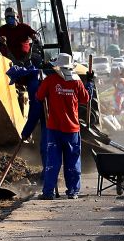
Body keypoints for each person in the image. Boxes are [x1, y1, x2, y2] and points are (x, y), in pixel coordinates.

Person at [36, 53, 90, 200]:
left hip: (54, 129)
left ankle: (48, 192)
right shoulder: (76, 81)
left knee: (52, 162)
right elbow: (85, 99)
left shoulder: (50, 80)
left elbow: (39, 97)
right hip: (72, 129)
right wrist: (89, 85)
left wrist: (42, 84)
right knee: (72, 161)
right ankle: (73, 191)